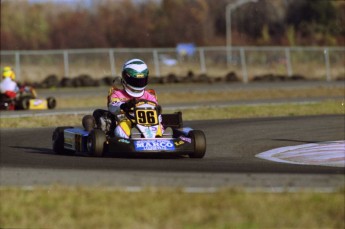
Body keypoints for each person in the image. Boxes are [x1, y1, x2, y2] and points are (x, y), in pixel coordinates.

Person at [92, 58, 165, 138]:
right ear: (125, 78)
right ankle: (133, 137)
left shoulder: (149, 95)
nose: (138, 84)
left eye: (141, 81)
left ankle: (157, 137)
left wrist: (157, 110)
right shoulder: (117, 94)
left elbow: (157, 114)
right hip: (127, 122)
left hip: (149, 125)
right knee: (120, 130)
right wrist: (124, 105)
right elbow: (112, 107)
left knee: (160, 128)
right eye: (134, 81)